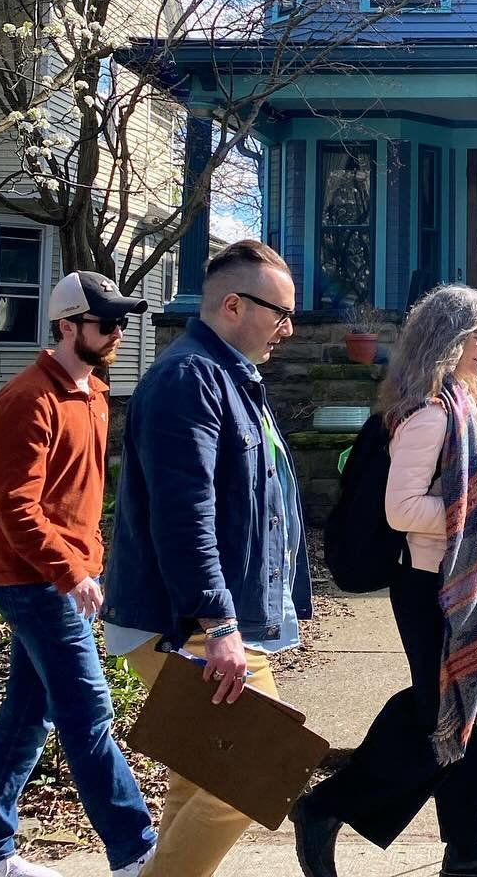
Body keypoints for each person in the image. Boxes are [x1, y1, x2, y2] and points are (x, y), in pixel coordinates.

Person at [290, 284, 477, 877]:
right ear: (450, 340)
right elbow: (401, 510)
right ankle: (325, 808)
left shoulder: (462, 403)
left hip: (471, 579)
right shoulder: (429, 413)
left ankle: (466, 846)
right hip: (433, 585)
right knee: (438, 713)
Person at [101, 239, 310, 877]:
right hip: (185, 619)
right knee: (255, 769)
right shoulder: (189, 378)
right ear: (232, 305)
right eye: (279, 313)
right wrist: (219, 624)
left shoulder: (230, 379)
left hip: (205, 616)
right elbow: (182, 513)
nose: (287, 329)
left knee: (202, 779)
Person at [0, 271, 156, 877]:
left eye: (121, 321)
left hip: (65, 575)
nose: (117, 331)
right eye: (106, 322)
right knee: (88, 710)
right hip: (31, 579)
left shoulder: (93, 396)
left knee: (28, 712)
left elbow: (80, 497)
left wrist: (89, 561)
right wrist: (70, 572)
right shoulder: (27, 399)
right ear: (67, 326)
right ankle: (137, 851)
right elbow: (14, 505)